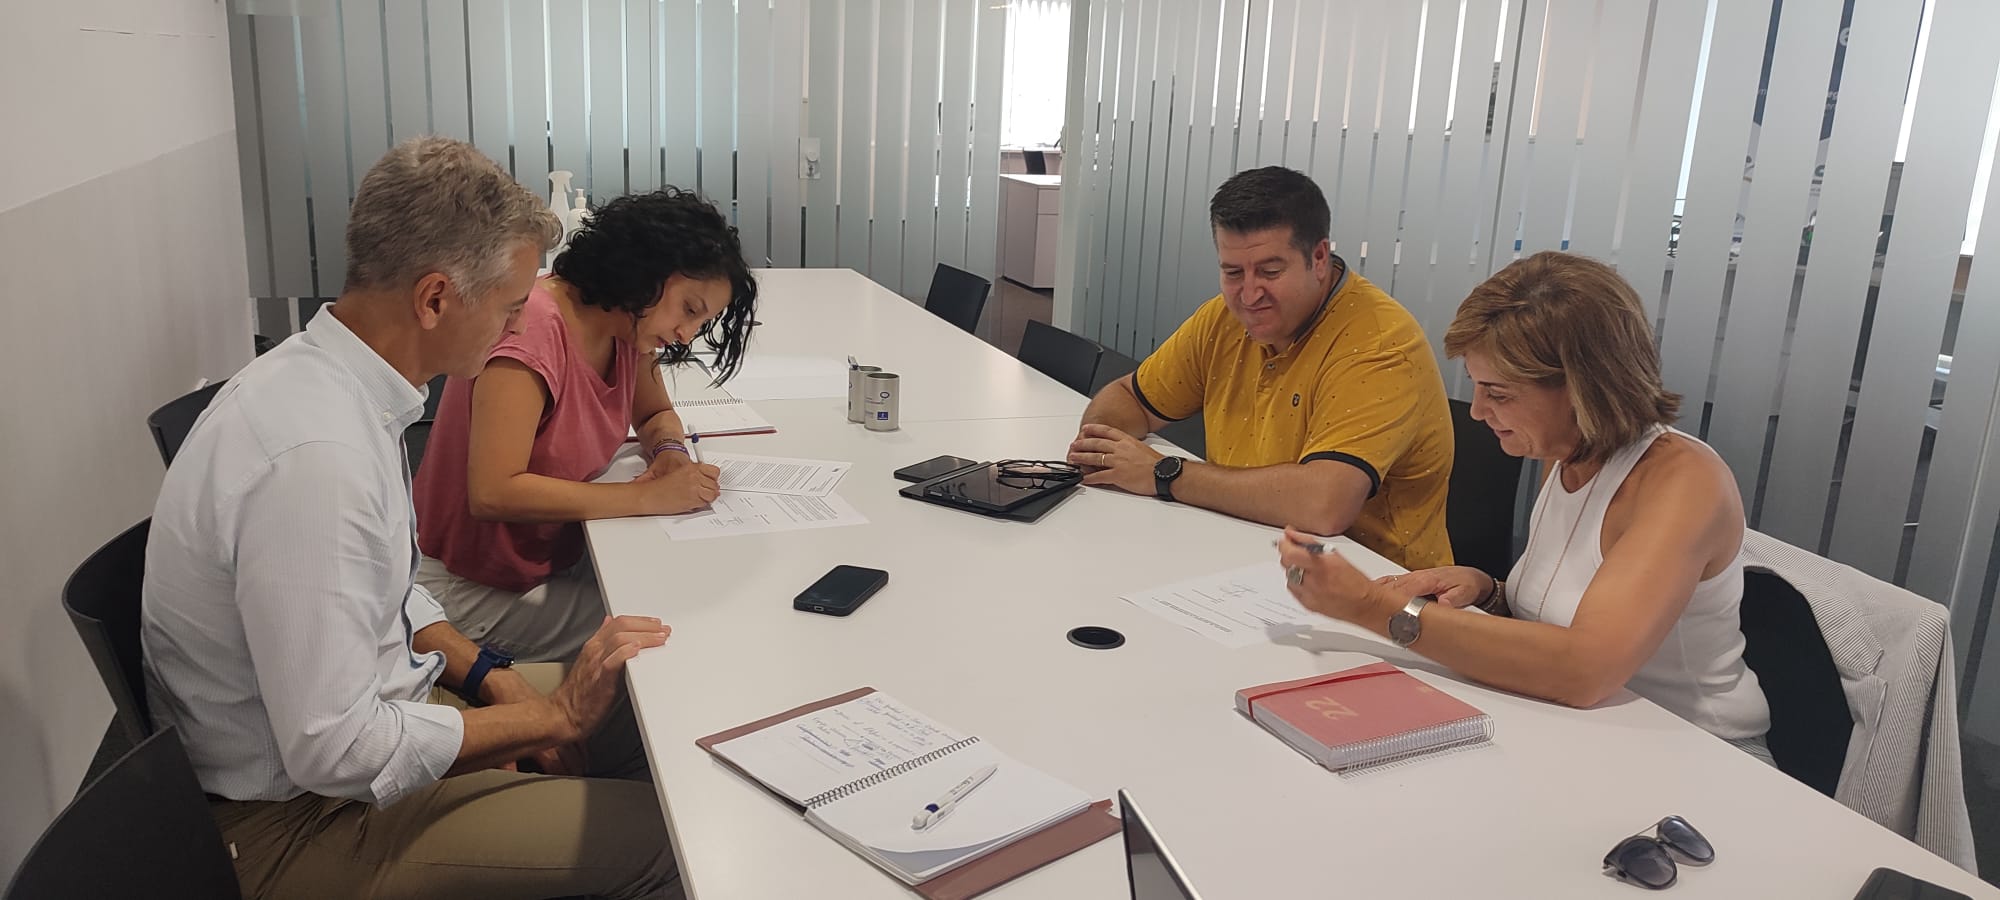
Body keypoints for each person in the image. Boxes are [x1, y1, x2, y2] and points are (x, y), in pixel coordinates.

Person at [142, 137, 683, 898]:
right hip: (297, 823)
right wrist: (553, 717)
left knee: (657, 704)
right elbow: (337, 749)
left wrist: (491, 677)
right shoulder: (315, 461)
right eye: (510, 308)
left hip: (383, 714)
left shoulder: (340, 385)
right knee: (675, 840)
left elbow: (391, 592)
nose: (518, 327)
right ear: (435, 300)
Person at [1275, 251, 1772, 755]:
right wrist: (1488, 591)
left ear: (1583, 389)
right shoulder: (1563, 453)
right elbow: (1568, 611)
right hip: (1586, 732)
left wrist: (1371, 607)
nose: (1477, 411)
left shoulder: (1682, 482)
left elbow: (1585, 669)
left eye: (1499, 394)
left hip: (1703, 752)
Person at [413, 187, 759, 663]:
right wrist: (647, 498)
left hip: (551, 559)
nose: (686, 334)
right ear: (644, 272)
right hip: (469, 588)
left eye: (701, 322)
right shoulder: (535, 329)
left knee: (681, 588)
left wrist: (670, 454)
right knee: (666, 639)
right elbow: (493, 491)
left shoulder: (627, 328)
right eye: (689, 309)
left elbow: (655, 415)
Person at [1069, 166, 1455, 570]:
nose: (1250, 295)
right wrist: (1100, 448)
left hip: (1373, 583)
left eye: (1271, 272)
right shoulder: (1223, 319)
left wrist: (1164, 473)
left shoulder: (1379, 343)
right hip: (1240, 554)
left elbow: (1324, 505)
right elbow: (1130, 397)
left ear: (1319, 258)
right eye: (1232, 272)